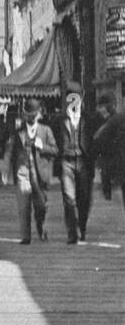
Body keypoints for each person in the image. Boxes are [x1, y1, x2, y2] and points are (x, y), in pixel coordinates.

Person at [51, 82, 95, 244]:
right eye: (70, 98)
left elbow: (95, 141)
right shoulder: (58, 120)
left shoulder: (89, 119)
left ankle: (81, 226)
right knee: (69, 199)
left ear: (81, 99)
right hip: (66, 163)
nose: (73, 102)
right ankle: (72, 232)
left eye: (76, 98)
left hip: (83, 162)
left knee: (83, 199)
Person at [8, 97, 57, 244]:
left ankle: (41, 226)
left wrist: (42, 147)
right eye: (27, 115)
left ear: (38, 115)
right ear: (24, 115)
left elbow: (55, 150)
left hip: (39, 173)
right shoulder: (19, 133)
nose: (30, 118)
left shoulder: (46, 131)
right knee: (24, 205)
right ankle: (26, 236)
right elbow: (13, 154)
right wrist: (9, 173)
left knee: (40, 205)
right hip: (23, 171)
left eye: (33, 115)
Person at [91, 95, 125, 221]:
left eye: (101, 107)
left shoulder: (114, 120)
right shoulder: (117, 118)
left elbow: (98, 139)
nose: (99, 110)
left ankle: (107, 190)